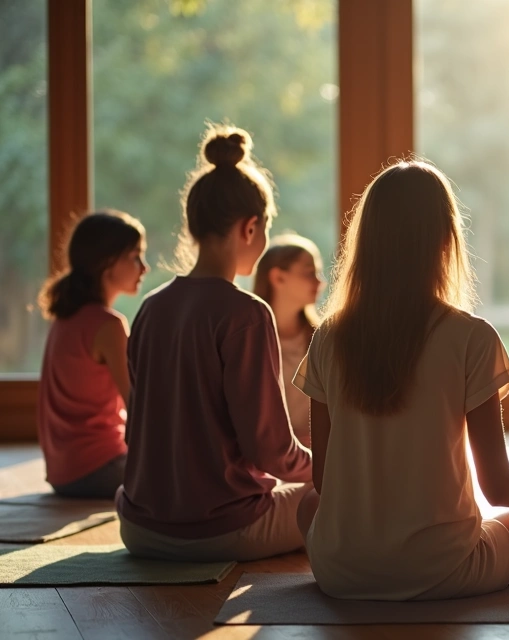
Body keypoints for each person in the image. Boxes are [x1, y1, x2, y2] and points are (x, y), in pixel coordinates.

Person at [293, 160, 509, 601]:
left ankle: (390, 565)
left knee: (306, 505)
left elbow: (323, 480)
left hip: (340, 573)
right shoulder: (471, 336)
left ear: (368, 242)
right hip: (444, 570)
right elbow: (498, 486)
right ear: (443, 240)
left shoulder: (328, 336)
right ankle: (507, 568)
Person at [117, 125, 312, 562]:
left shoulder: (150, 308)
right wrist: (333, 467)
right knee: (338, 493)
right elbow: (273, 453)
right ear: (250, 228)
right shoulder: (246, 313)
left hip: (138, 527)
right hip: (221, 532)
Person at [36, 210, 147, 499]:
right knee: (191, 469)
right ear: (106, 263)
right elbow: (136, 407)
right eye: (135, 256)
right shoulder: (108, 325)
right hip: (99, 468)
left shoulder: (65, 318)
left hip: (61, 473)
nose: (144, 267)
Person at [253, 234, 325, 446]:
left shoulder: (322, 339)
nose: (320, 281)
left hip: (317, 457)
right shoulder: (249, 341)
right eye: (309, 273)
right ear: (278, 278)